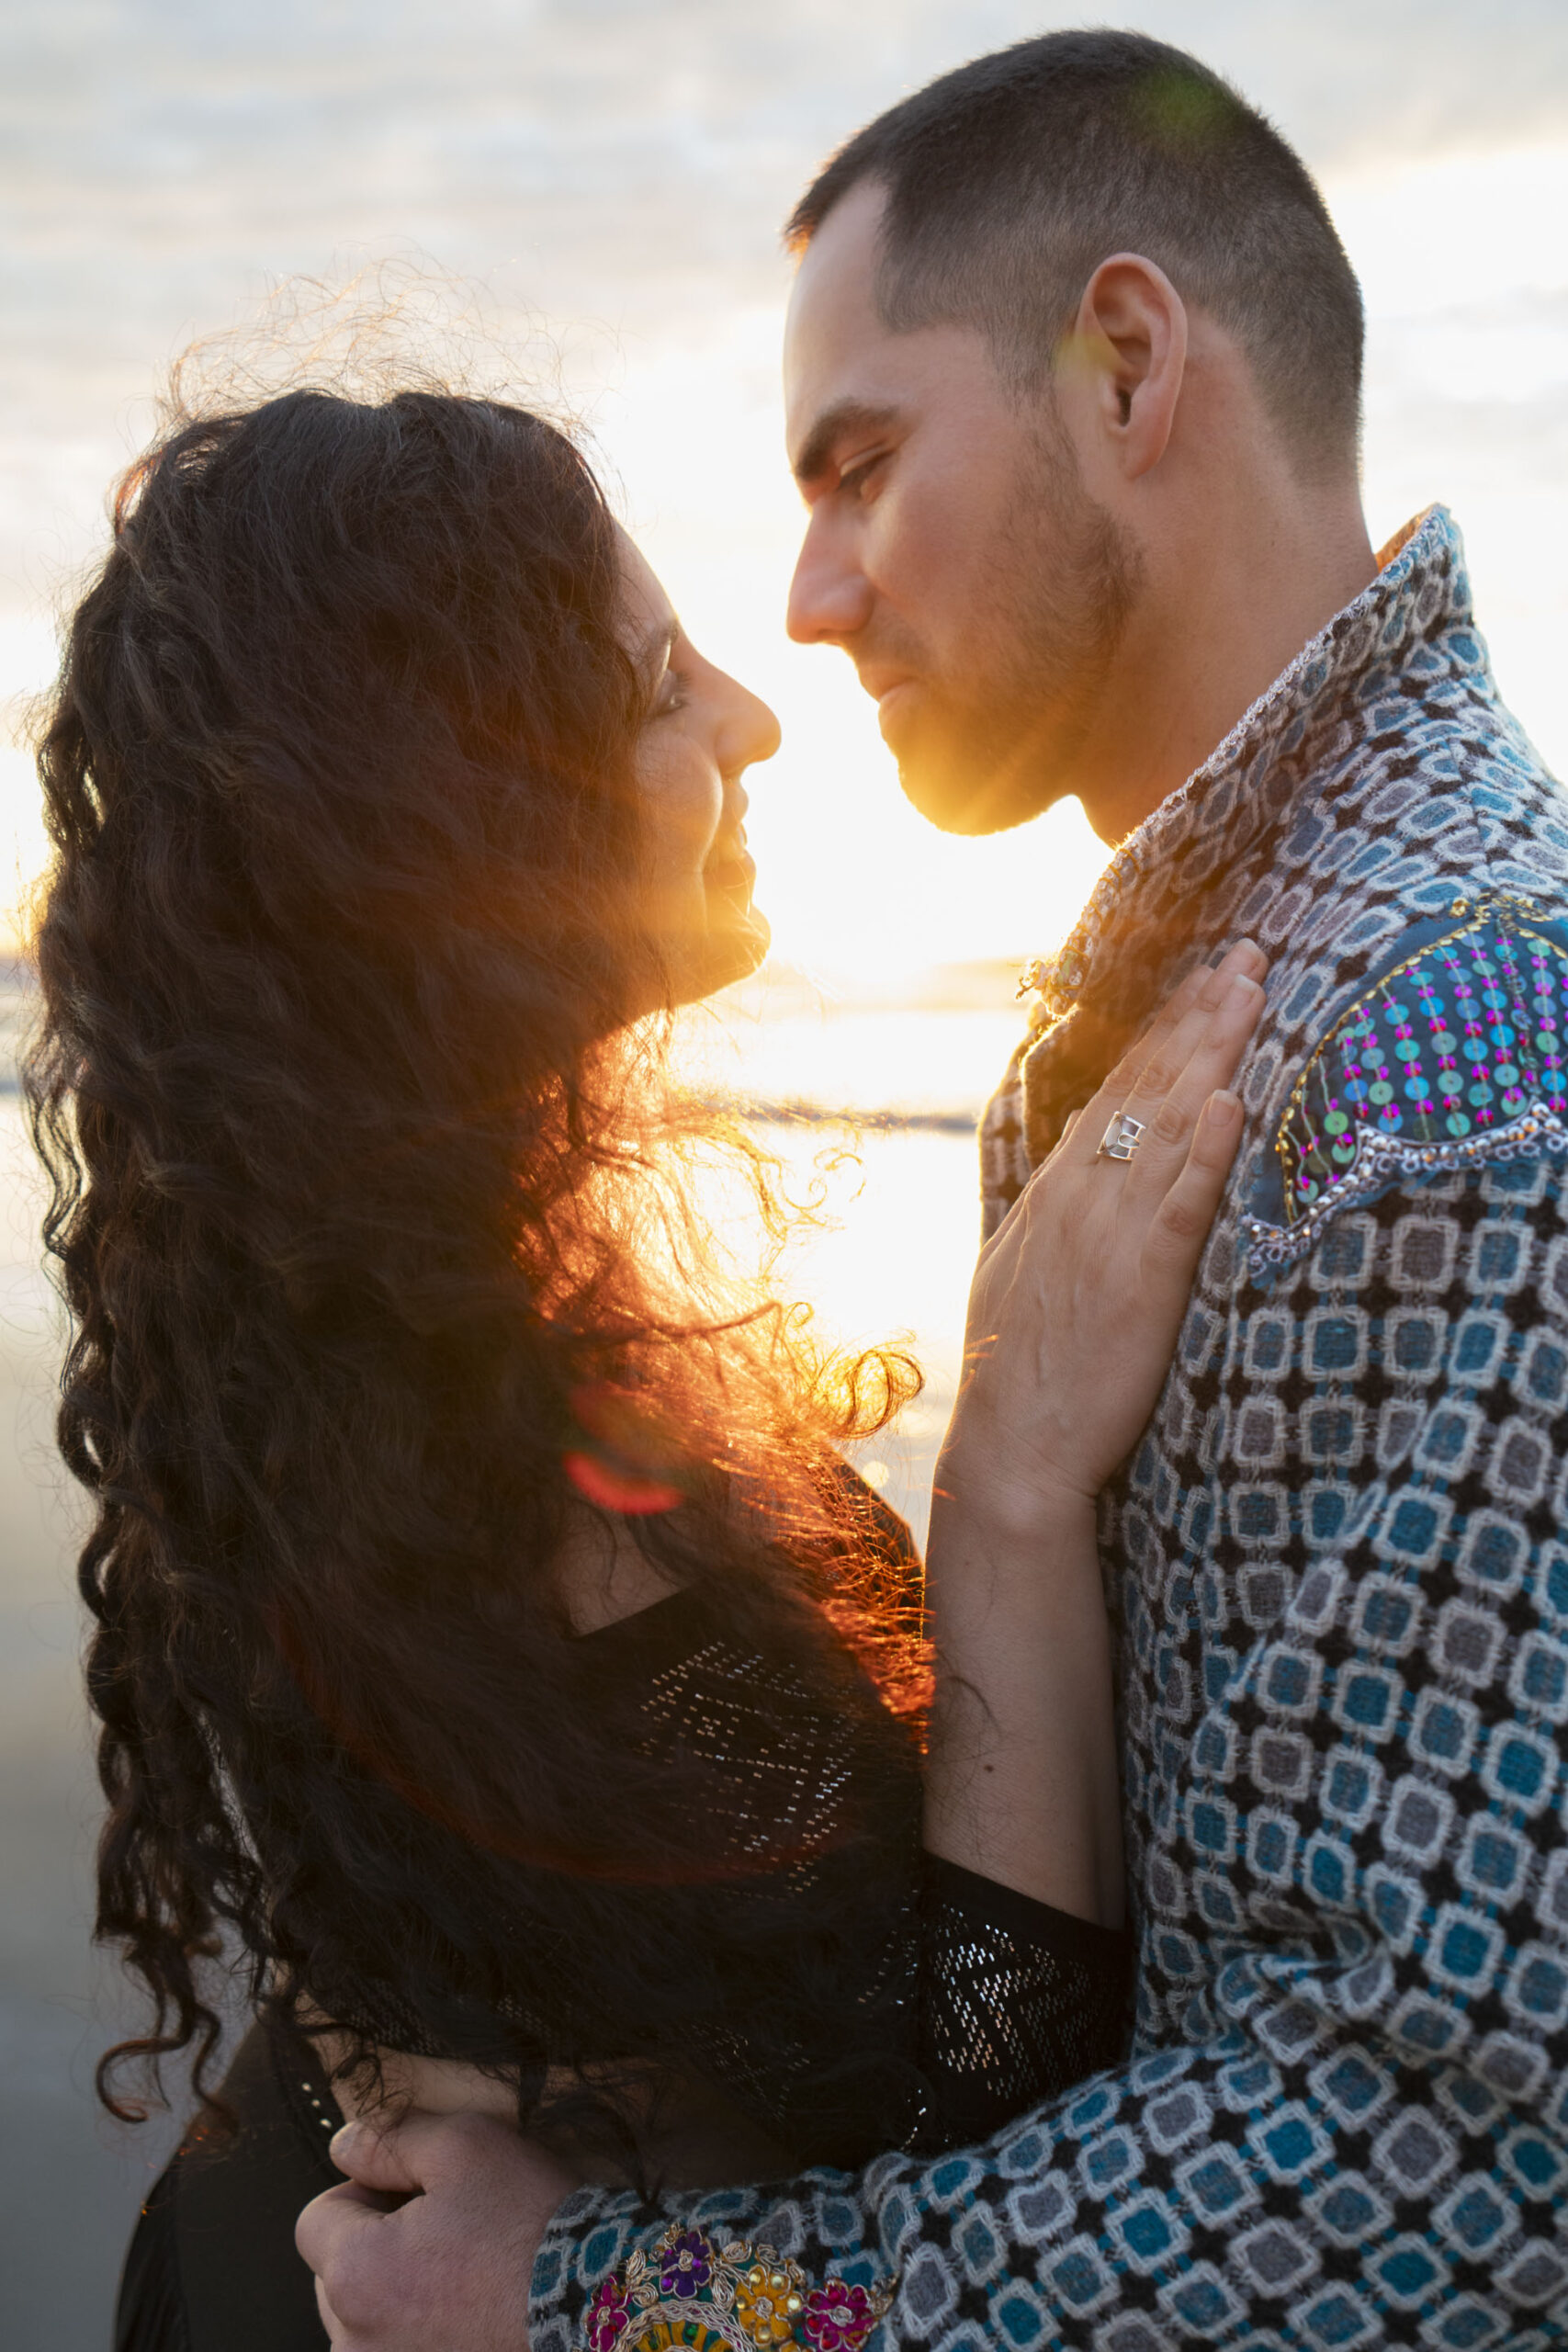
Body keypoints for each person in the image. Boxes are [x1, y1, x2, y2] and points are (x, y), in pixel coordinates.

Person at [304, 28, 1568, 2352]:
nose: (803, 600)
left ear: (1123, 369)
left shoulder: (1448, 1048)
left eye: (861, 467)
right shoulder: (1236, 979)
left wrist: (599, 2298)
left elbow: (1458, 2158)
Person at [27, 372, 1262, 2351]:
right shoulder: (543, 1506)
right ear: (468, 802)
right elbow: (989, 2104)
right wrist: (1010, 1484)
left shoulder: (302, 1317)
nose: (753, 715)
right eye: (658, 684)